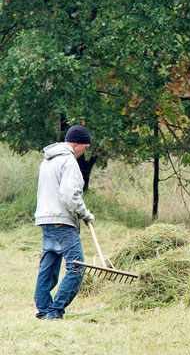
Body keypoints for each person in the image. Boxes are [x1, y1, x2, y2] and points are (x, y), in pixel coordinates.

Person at [34, 125, 95, 320]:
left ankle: (43, 309)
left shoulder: (48, 161)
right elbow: (70, 195)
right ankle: (55, 310)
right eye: (84, 148)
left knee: (48, 267)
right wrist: (85, 214)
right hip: (62, 222)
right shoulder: (68, 161)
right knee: (77, 267)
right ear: (76, 144)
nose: (83, 153)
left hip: (45, 220)